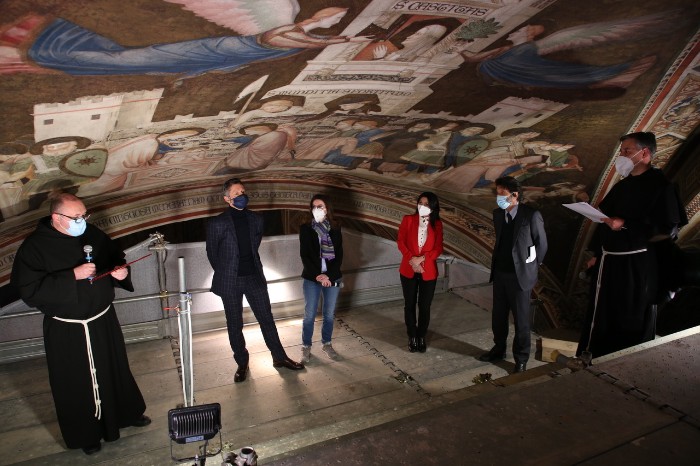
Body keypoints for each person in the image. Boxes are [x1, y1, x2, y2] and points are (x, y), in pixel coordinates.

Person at [10, 193, 150, 455]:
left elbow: (113, 258)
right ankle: (87, 434)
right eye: (76, 217)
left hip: (102, 319)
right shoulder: (34, 248)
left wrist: (120, 272)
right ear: (56, 217)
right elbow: (29, 290)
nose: (82, 221)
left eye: (84, 215)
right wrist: (71, 276)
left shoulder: (92, 233)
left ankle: (127, 414)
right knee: (75, 382)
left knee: (115, 369)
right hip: (67, 328)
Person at [577, 132, 686, 359]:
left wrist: (626, 224)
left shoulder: (662, 186)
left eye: (627, 151)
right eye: (621, 151)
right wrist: (597, 253)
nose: (622, 155)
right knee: (603, 312)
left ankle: (623, 361)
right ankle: (593, 357)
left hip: (636, 264)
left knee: (628, 314)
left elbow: (668, 229)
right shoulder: (623, 185)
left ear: (644, 153)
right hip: (608, 260)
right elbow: (605, 220)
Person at [206, 178, 304, 383]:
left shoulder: (256, 219)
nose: (242, 195)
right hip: (230, 281)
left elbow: (254, 245)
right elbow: (212, 253)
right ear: (227, 199)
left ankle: (279, 357)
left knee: (267, 319)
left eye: (243, 191)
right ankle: (242, 363)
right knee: (235, 324)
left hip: (254, 278)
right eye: (236, 193)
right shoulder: (217, 223)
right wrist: (227, 272)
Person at [479, 176, 548, 372]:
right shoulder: (497, 214)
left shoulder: (531, 215)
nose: (498, 197)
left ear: (515, 195)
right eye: (497, 192)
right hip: (500, 273)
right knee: (498, 316)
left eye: (502, 193)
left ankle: (521, 358)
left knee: (521, 320)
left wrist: (531, 267)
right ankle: (498, 349)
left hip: (520, 276)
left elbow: (541, 244)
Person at [299, 194, 344, 362]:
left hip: (332, 277)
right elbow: (304, 255)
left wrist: (328, 276)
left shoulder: (336, 227)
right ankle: (306, 346)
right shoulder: (305, 228)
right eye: (314, 206)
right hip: (312, 278)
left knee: (329, 314)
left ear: (327, 209)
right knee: (309, 315)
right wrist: (318, 276)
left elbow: (339, 255)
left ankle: (327, 344)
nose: (317, 209)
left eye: (321, 206)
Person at [397, 192, 444, 353]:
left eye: (426, 204)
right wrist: (413, 259)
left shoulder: (437, 224)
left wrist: (422, 259)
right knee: (409, 304)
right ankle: (412, 336)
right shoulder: (408, 219)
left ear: (433, 207)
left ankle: (421, 335)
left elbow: (438, 248)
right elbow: (401, 242)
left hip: (428, 271)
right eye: (420, 203)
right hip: (408, 268)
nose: (422, 206)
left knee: (424, 306)